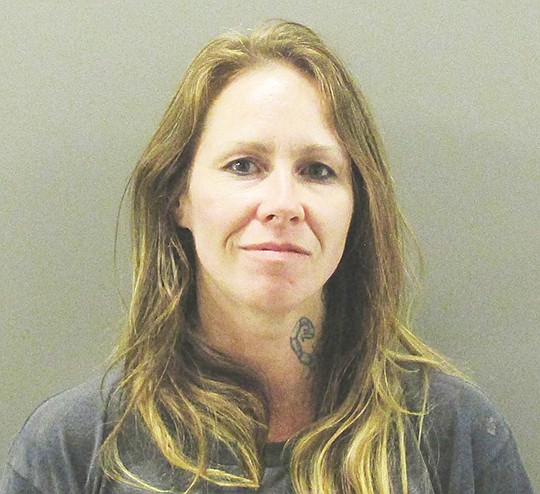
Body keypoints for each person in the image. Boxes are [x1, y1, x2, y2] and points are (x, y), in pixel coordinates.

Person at [1, 20, 534, 494]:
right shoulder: (74, 449)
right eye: (243, 165)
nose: (283, 204)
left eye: (317, 171)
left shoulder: (454, 436)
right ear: (178, 197)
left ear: (357, 208)